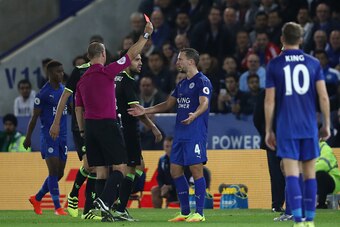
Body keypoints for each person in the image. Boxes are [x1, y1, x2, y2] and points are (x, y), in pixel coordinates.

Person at [74, 21, 154, 222]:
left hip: (89, 128)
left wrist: (83, 132)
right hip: (107, 125)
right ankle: (105, 200)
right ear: (102, 55)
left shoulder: (81, 80)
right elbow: (130, 54)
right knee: (120, 166)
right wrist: (145, 35)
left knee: (101, 170)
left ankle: (104, 214)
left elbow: (78, 108)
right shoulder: (107, 71)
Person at [129, 48, 212, 222]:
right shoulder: (181, 84)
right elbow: (168, 104)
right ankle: (184, 211)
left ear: (191, 61)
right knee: (175, 171)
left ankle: (200, 213)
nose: (177, 62)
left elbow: (204, 103)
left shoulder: (202, 81)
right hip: (180, 134)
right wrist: (146, 109)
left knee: (196, 170)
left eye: (181, 59)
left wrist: (195, 115)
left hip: (195, 133)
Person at [265, 22, 330, 227]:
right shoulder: (313, 63)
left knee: (291, 173)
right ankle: (310, 221)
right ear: (301, 39)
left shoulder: (275, 64)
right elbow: (323, 96)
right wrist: (326, 123)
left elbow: (269, 100)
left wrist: (268, 130)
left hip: (287, 126)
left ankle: (298, 220)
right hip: (309, 126)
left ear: (283, 39)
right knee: (309, 174)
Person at [113, 50, 162, 220]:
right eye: (137, 59)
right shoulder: (127, 81)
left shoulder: (114, 78)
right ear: (127, 61)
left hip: (117, 128)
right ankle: (118, 206)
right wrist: (153, 127)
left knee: (135, 166)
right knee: (132, 169)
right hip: (127, 129)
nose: (141, 62)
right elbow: (137, 111)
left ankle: (116, 202)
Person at [49, 58, 100, 220]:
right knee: (90, 165)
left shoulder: (101, 70)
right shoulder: (78, 73)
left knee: (95, 166)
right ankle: (73, 195)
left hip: (96, 123)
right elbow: (64, 97)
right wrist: (56, 123)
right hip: (80, 126)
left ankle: (88, 211)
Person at [24, 61, 70, 216]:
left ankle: (37, 198)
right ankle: (57, 208)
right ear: (50, 73)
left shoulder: (65, 91)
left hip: (63, 137)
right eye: (58, 72)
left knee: (60, 173)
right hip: (49, 136)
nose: (61, 74)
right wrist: (28, 137)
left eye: (62, 71)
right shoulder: (43, 94)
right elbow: (34, 118)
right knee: (53, 171)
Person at [253, 90, 285, 213]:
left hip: (273, 138)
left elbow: (257, 118)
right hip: (290, 137)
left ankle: (277, 205)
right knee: (291, 171)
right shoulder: (291, 90)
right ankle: (295, 204)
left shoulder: (266, 92)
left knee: (276, 173)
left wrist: (267, 133)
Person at [316, 140, 340, 209]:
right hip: (314, 181)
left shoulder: (324, 147)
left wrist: (307, 170)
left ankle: (321, 204)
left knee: (320, 175)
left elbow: (324, 165)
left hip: (334, 180)